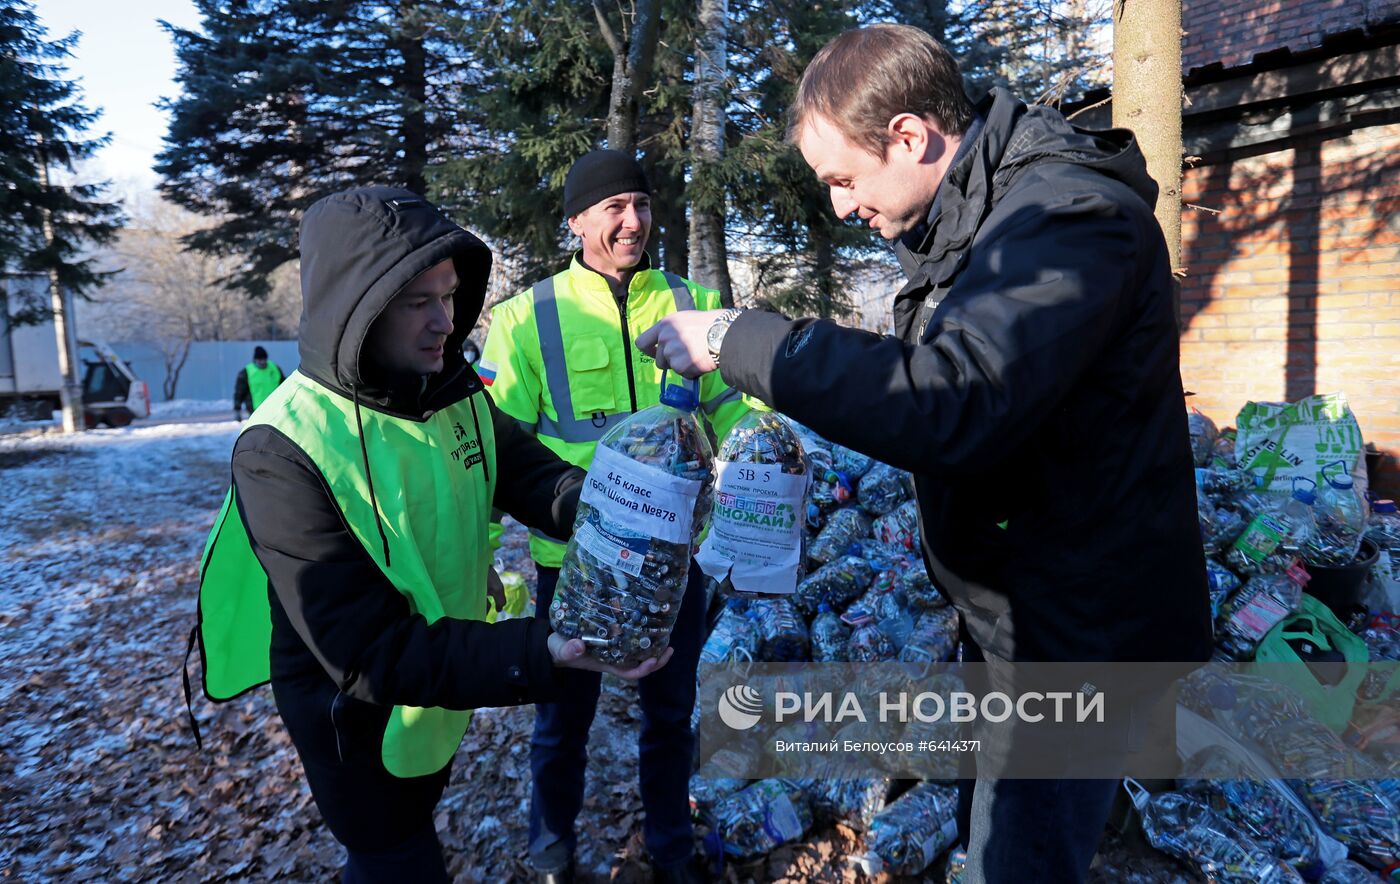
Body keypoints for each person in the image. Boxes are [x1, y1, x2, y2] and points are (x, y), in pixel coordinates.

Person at [636, 24, 1212, 884]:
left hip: (1081, 637)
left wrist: (738, 338)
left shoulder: (1066, 218)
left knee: (1019, 857)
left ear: (909, 136)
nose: (839, 206)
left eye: (843, 179)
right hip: (1020, 616)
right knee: (996, 835)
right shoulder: (984, 222)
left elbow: (955, 396)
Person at [193, 186, 670, 882]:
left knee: (411, 834)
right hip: (355, 721)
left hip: (441, 689)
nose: (444, 321)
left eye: (449, 296)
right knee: (395, 854)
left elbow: (533, 475)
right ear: (357, 307)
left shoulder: (447, 387)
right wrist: (550, 650)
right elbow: (369, 653)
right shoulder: (278, 450)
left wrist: (622, 510)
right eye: (418, 301)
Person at [480, 149, 749, 884]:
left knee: (671, 716)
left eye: (642, 204)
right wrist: (489, 560)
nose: (634, 222)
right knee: (563, 719)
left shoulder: (689, 297)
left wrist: (763, 457)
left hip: (672, 565)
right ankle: (551, 851)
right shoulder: (527, 317)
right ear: (576, 222)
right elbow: (498, 447)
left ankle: (670, 850)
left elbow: (732, 410)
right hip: (571, 564)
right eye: (614, 208)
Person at [232, 345, 284, 420]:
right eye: (260, 360)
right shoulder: (246, 372)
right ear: (255, 360)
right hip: (256, 411)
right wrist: (237, 410)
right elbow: (239, 392)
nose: (263, 362)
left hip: (276, 408)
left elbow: (285, 385)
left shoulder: (275, 368)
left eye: (264, 359)